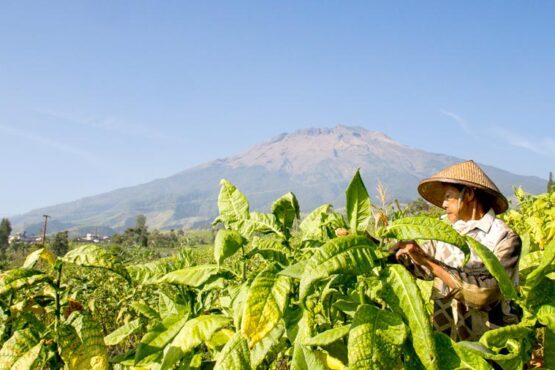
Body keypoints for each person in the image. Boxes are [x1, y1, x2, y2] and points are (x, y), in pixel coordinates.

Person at [395, 160, 521, 341]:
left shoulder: (504, 237)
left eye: (448, 196)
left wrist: (429, 262)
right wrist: (371, 245)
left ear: (468, 194)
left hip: (491, 341)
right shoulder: (445, 232)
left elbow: (485, 293)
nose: (443, 204)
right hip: (447, 335)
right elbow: (419, 266)